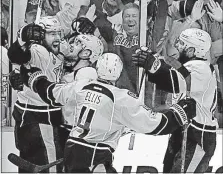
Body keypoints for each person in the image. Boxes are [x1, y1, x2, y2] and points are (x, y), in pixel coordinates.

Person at [20, 52, 196, 173]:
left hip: (73, 147)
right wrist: (181, 112)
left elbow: (51, 92)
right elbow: (157, 126)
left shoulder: (81, 86)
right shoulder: (121, 98)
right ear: (119, 74)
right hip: (95, 154)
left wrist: (33, 76)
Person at [132, 28, 218, 173]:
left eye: (181, 43)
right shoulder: (191, 66)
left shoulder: (201, 69)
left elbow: (173, 81)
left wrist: (153, 65)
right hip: (185, 129)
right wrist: (153, 60)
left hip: (198, 136)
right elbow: (171, 72)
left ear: (191, 50)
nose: (177, 45)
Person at [7, 16, 64, 173]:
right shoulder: (38, 50)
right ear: (40, 35)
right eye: (52, 34)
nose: (57, 38)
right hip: (41, 121)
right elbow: (16, 55)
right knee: (51, 168)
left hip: (26, 118)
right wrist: (23, 37)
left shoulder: (52, 49)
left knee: (29, 168)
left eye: (58, 32)